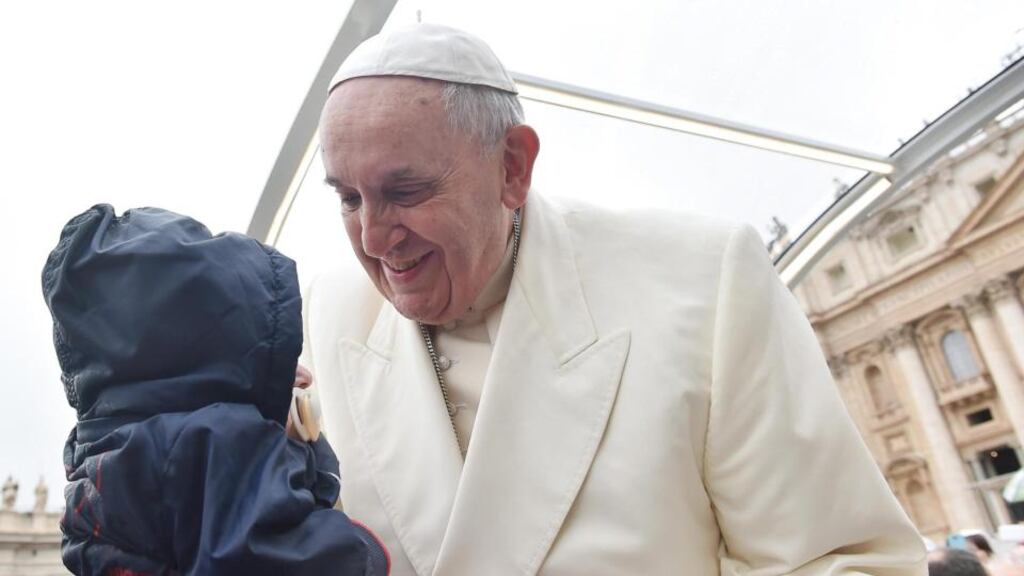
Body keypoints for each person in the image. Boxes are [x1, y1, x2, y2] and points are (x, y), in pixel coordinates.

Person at [300, 22, 927, 575]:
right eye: (348, 199)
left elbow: (841, 560)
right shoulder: (329, 314)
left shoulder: (704, 281)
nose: (375, 238)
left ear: (513, 167)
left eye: (405, 191)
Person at [42, 205, 389, 575]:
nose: (302, 376)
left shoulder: (102, 463)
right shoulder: (213, 450)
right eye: (276, 363)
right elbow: (335, 563)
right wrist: (303, 455)